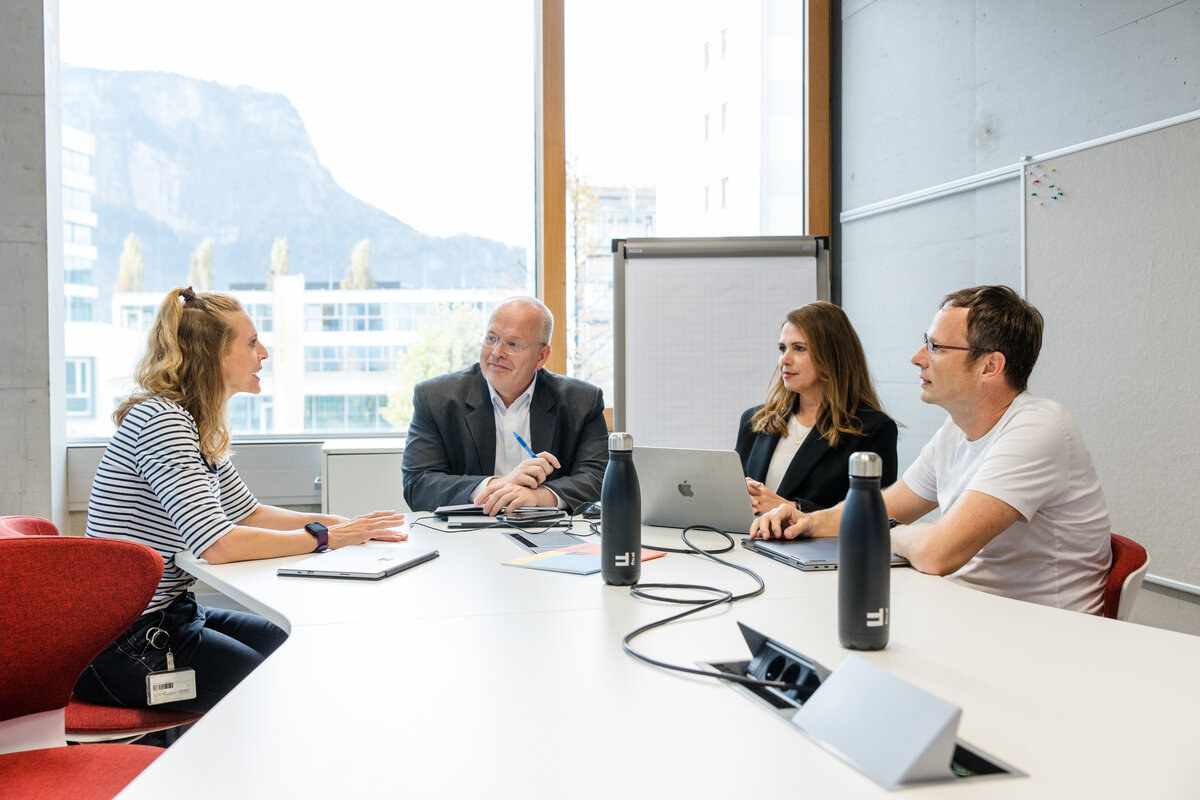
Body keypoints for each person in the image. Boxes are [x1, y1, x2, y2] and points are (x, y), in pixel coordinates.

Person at [75, 287, 406, 713]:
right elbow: (221, 545)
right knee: (283, 689)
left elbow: (248, 513)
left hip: (172, 619)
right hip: (124, 645)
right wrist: (327, 537)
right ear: (212, 355)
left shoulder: (193, 422)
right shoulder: (164, 423)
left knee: (300, 651)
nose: (263, 353)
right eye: (251, 343)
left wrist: (347, 524)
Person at [751, 286, 1112, 614]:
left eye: (936, 347)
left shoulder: (1038, 428)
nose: (917, 357)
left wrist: (879, 530)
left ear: (990, 366)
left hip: (1042, 634)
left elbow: (938, 552)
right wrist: (808, 520)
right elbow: (886, 506)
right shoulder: (955, 428)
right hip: (972, 611)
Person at [402, 296, 607, 515]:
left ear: (541, 356)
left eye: (513, 344)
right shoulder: (435, 398)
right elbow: (418, 484)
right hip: (467, 534)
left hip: (550, 534)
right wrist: (496, 486)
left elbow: (599, 478)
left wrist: (539, 497)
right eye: (491, 338)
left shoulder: (582, 401)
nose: (496, 352)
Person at [736, 302, 898, 514]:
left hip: (820, 547)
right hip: (749, 545)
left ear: (832, 356)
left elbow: (874, 514)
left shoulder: (872, 429)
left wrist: (796, 509)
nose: (784, 360)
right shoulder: (754, 420)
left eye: (799, 348)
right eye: (782, 348)